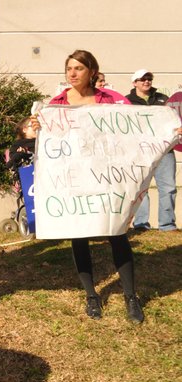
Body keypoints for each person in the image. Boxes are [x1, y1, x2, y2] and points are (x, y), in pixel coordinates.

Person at [41, 50, 163, 323]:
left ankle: (131, 296)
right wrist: (39, 127)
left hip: (108, 180)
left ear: (92, 71)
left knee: (117, 232)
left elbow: (139, 127)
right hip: (75, 182)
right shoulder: (57, 103)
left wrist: (168, 130)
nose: (72, 73)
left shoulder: (112, 100)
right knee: (79, 236)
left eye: (79, 68)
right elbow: (47, 138)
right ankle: (91, 295)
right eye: (69, 68)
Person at [126, 69, 177, 232]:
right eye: (142, 79)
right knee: (141, 188)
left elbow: (174, 119)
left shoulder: (163, 99)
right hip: (139, 152)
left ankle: (167, 224)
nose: (146, 81)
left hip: (164, 150)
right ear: (134, 83)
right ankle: (141, 224)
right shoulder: (126, 102)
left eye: (149, 78)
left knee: (168, 187)